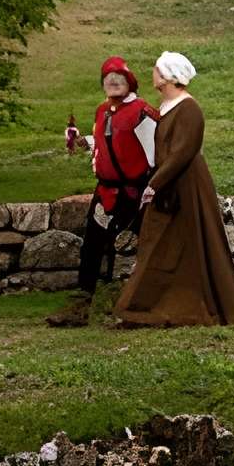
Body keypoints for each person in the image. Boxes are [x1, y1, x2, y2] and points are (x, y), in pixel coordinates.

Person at [111, 52, 234, 329]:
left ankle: (196, 306)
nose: (153, 74)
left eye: (157, 70)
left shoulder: (189, 109)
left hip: (187, 185)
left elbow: (183, 151)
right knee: (160, 243)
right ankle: (149, 305)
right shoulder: (165, 106)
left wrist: (155, 184)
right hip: (169, 182)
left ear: (169, 76)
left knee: (192, 243)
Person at [47, 55, 157, 328]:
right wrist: (80, 140)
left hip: (135, 192)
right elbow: (104, 141)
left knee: (137, 246)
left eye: (118, 80)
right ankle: (81, 306)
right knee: (93, 246)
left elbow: (154, 156)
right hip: (105, 192)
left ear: (130, 83)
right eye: (108, 81)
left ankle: (137, 306)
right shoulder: (103, 111)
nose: (113, 84)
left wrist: (152, 187)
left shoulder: (142, 112)